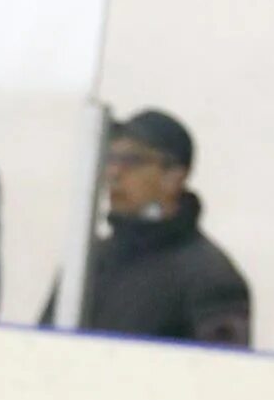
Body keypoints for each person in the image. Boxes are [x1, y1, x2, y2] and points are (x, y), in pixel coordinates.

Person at [49, 108, 249, 346]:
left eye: (132, 161)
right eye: (110, 159)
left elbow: (222, 375)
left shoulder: (211, 279)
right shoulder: (89, 262)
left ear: (173, 177)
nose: (114, 173)